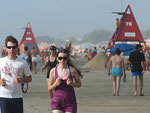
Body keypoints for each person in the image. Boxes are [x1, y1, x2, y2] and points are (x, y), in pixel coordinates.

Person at [0, 35, 32, 113]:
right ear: (6, 48)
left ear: (17, 48)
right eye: (9, 47)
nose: (11, 49)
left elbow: (29, 78)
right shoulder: (1, 61)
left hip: (17, 97)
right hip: (4, 96)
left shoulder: (22, 62)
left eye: (14, 47)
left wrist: (21, 80)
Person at [48, 48, 82, 113]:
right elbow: (49, 89)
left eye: (64, 58)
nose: (62, 60)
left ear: (67, 58)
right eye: (60, 58)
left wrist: (72, 84)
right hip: (57, 101)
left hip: (70, 101)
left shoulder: (72, 70)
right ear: (57, 58)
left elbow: (79, 84)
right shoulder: (53, 71)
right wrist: (55, 84)